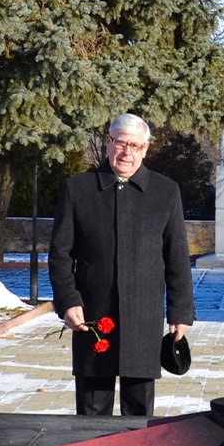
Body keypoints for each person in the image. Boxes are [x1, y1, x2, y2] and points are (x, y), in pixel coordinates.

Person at [49, 113, 194, 416]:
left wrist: (180, 312)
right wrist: (68, 301)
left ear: (146, 149)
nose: (127, 152)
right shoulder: (78, 189)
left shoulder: (166, 192)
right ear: (108, 142)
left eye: (135, 146)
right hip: (92, 315)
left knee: (139, 418)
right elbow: (60, 254)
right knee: (91, 412)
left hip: (143, 317)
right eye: (120, 143)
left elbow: (177, 257)